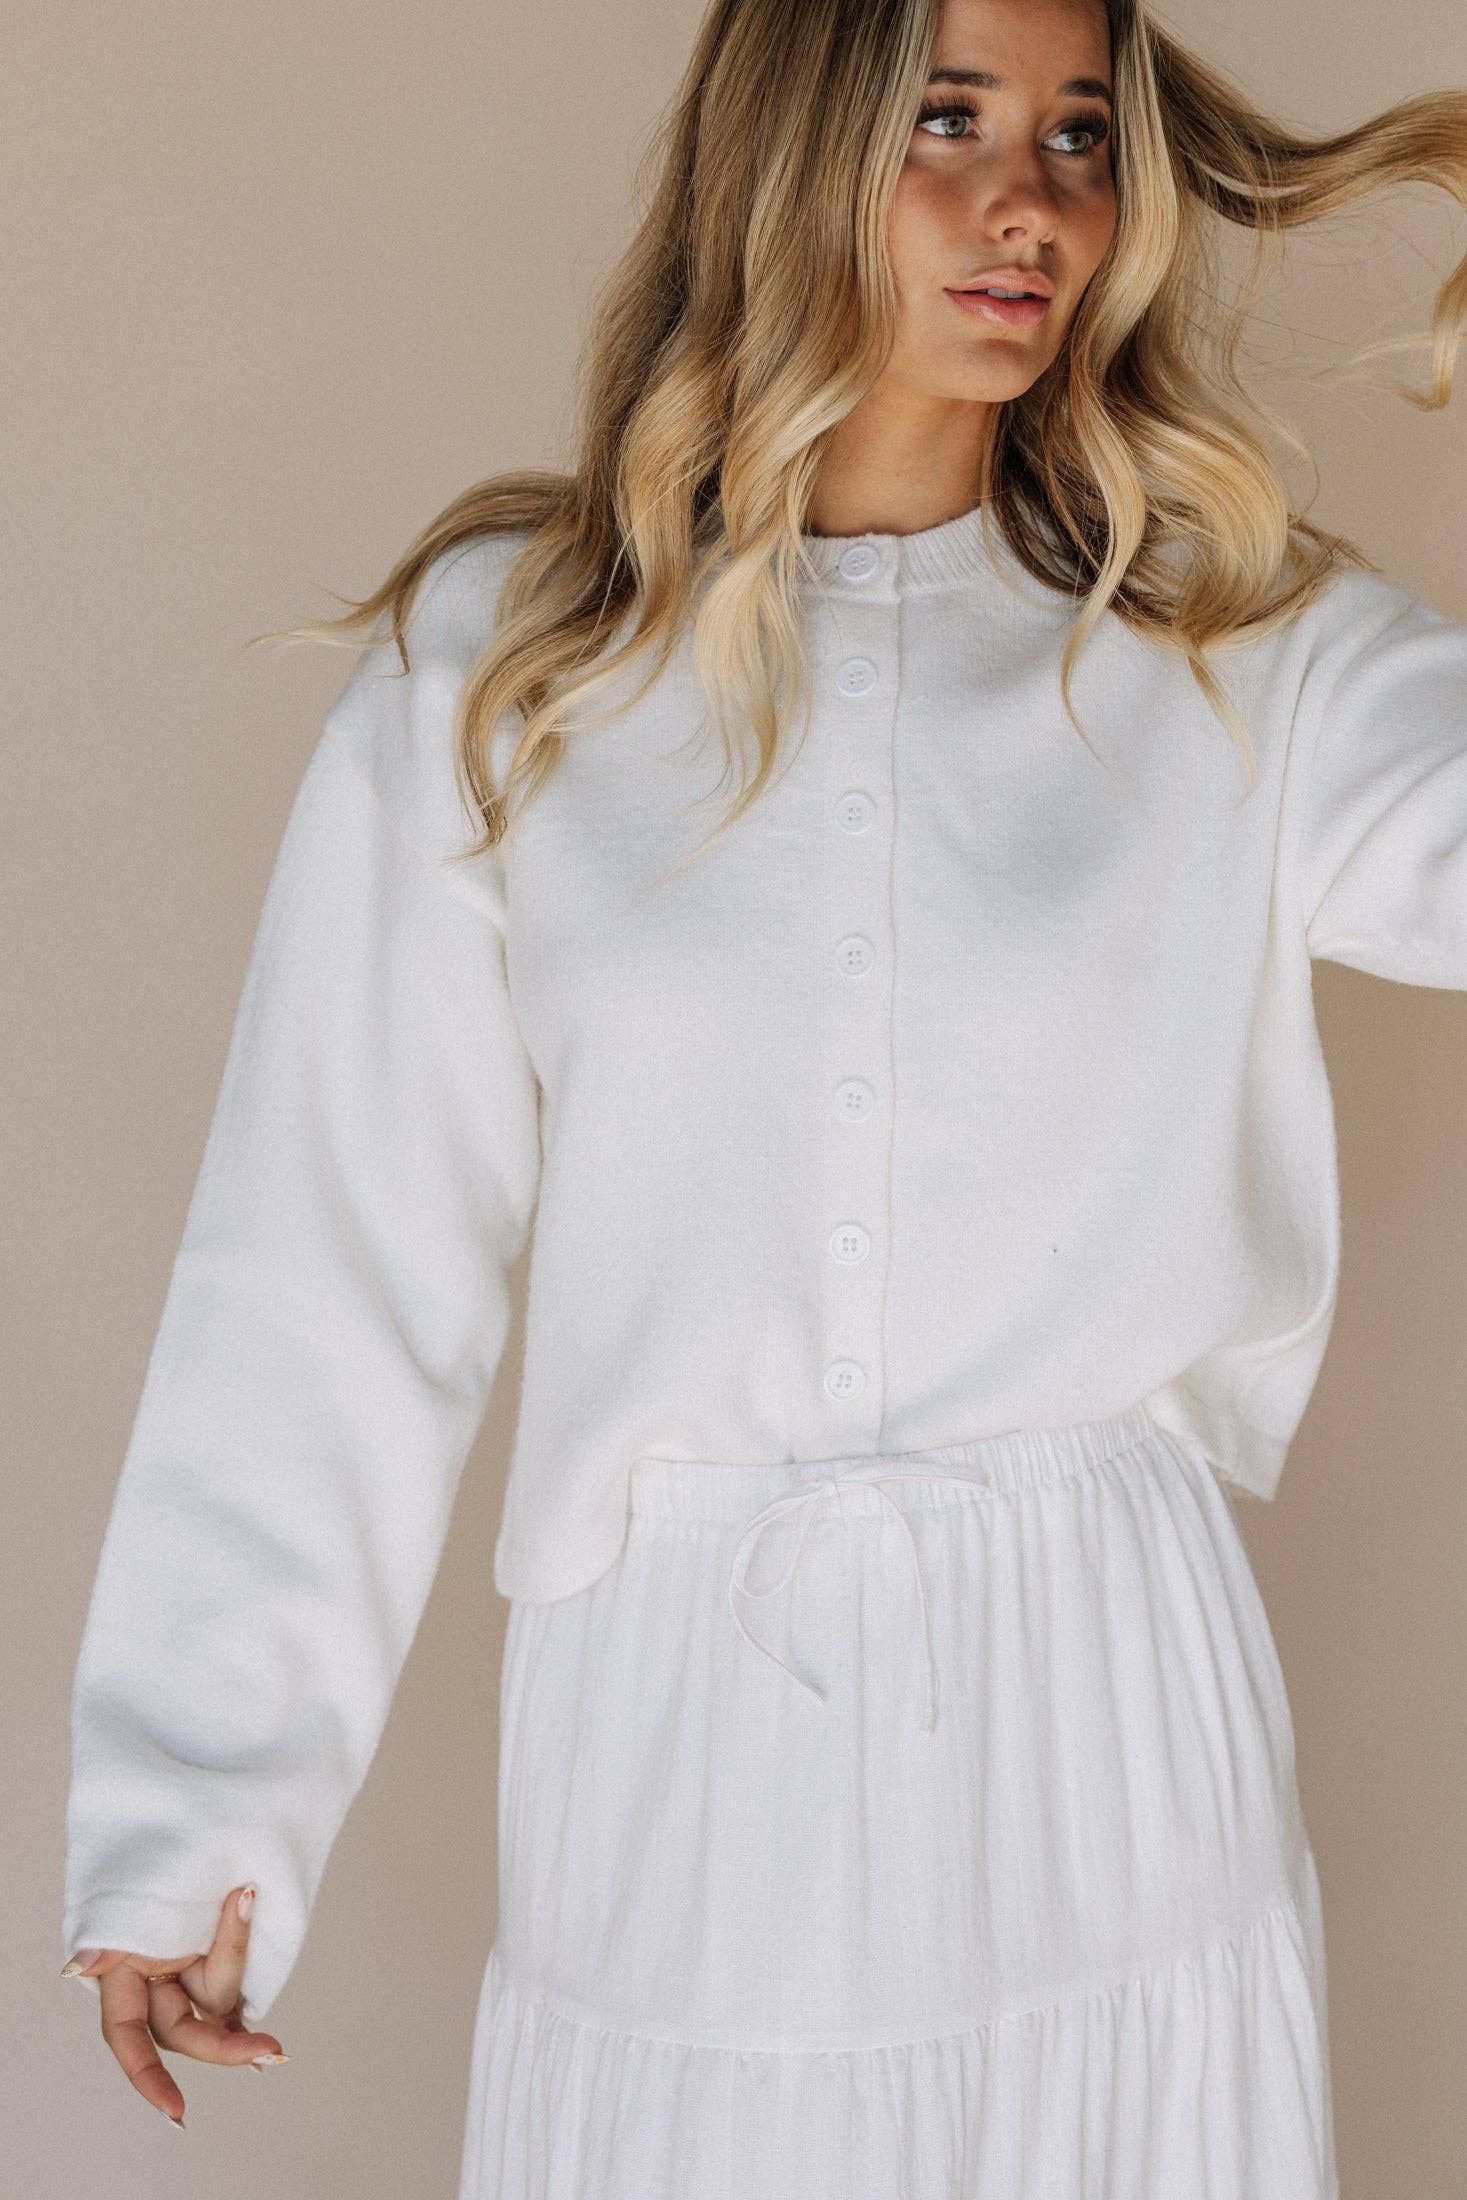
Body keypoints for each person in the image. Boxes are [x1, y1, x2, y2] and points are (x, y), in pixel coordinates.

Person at [60, 0, 1467, 2189]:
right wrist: (192, 1812)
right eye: (947, 119)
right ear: (795, 146)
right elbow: (329, 1267)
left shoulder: (1238, 646)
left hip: (1104, 1715)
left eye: (1078, 136)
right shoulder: (513, 663)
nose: (1028, 204)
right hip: (676, 1735)